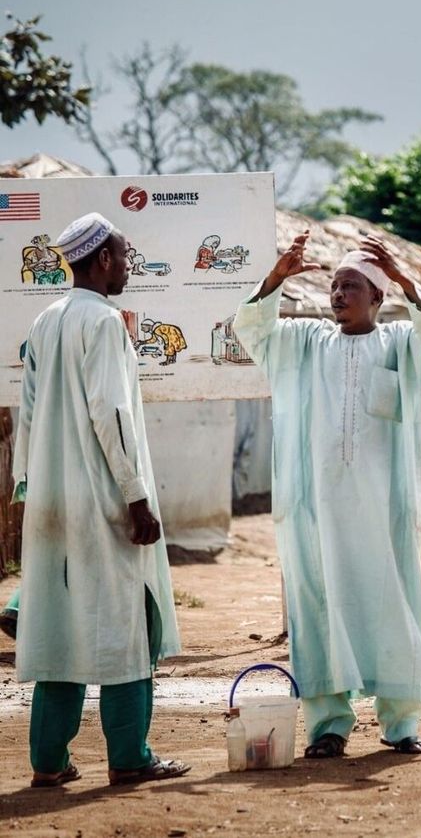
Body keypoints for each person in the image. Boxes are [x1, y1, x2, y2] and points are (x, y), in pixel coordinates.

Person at [233, 230, 421, 759]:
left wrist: (407, 279)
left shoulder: (402, 343)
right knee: (321, 608)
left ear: (379, 297)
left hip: (385, 511)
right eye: (334, 285)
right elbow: (251, 332)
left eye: (351, 285)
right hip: (318, 512)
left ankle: (401, 724)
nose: (338, 293)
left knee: (393, 603)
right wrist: (274, 279)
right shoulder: (308, 342)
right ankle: (329, 726)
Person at [12, 212, 187, 788]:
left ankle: (48, 762)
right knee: (126, 624)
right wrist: (136, 498)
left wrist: (26, 492)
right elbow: (111, 414)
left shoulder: (45, 321)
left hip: (51, 505)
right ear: (104, 259)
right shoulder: (105, 323)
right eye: (124, 253)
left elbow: (29, 414)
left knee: (60, 628)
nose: (129, 264)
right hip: (102, 501)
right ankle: (131, 757)